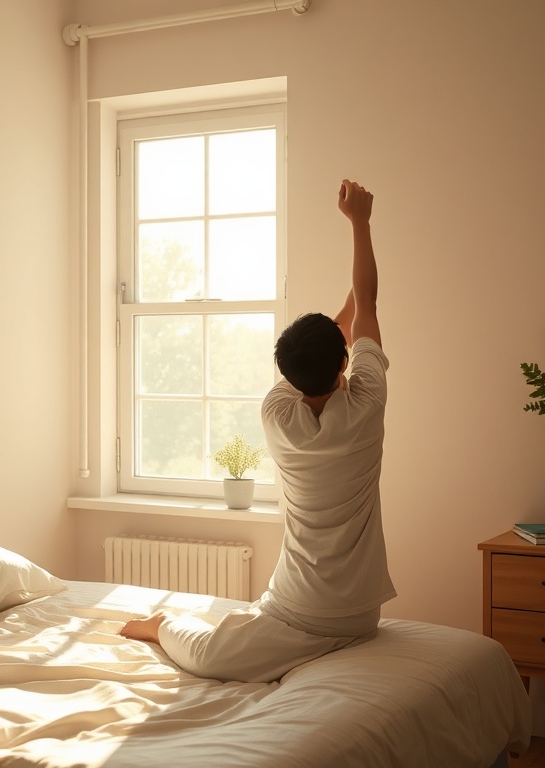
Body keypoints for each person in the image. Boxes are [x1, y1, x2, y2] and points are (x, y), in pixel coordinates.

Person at [119, 179, 395, 683]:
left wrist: (357, 246)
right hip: (359, 614)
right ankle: (161, 626)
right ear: (345, 361)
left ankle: (164, 627)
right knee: (215, 652)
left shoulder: (276, 413)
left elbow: (348, 325)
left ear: (288, 374)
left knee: (211, 657)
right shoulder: (367, 404)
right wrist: (360, 223)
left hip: (301, 610)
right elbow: (368, 309)